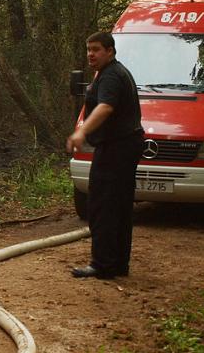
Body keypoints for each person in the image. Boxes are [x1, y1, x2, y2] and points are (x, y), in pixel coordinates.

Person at [66, 31, 144, 279]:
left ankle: (102, 264)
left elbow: (106, 107)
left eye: (96, 49)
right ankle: (118, 263)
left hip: (117, 148)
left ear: (110, 51)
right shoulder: (112, 73)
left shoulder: (111, 76)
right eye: (89, 49)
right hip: (124, 145)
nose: (91, 54)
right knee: (119, 206)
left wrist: (81, 132)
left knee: (103, 205)